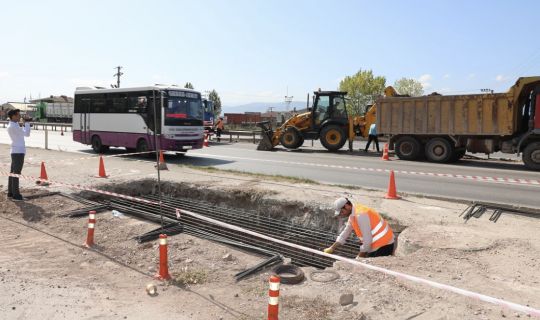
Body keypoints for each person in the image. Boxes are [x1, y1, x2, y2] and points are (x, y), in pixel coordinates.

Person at [323, 197, 395, 258]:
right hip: (376, 243)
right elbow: (346, 231)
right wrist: (332, 248)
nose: (341, 214)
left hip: (384, 244)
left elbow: (367, 242)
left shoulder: (361, 215)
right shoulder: (352, 214)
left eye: (342, 212)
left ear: (347, 206)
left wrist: (359, 258)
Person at [7, 109, 31, 201]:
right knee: (16, 174)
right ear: (13, 116)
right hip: (18, 151)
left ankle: (10, 193)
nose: (20, 116)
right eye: (18, 115)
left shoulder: (13, 125)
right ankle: (16, 195)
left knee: (12, 173)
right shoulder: (14, 126)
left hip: (15, 150)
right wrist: (27, 123)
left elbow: (22, 133)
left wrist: (24, 123)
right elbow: (27, 134)